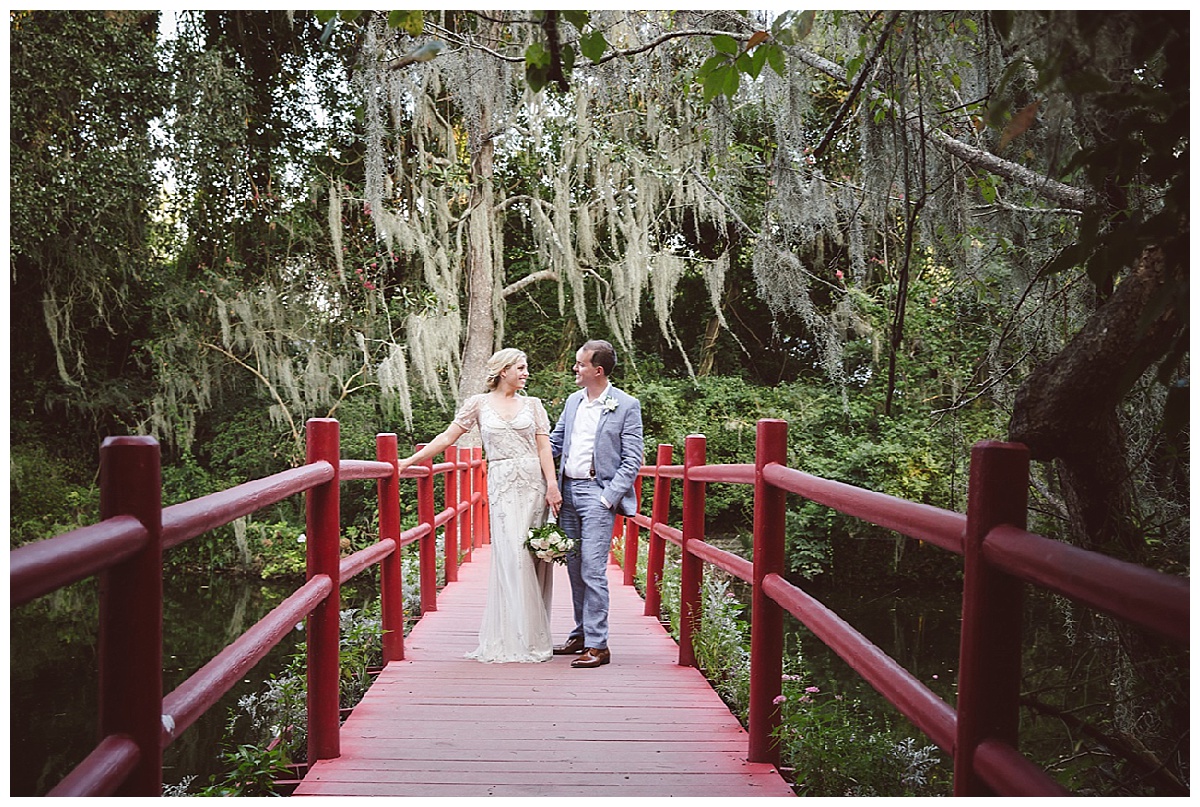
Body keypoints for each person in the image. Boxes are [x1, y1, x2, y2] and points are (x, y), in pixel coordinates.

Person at [397, 348, 562, 663]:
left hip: (532, 483)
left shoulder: (534, 405)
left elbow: (544, 448)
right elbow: (448, 438)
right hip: (502, 483)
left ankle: (532, 636)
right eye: (521, 367)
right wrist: (411, 460)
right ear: (504, 371)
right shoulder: (479, 404)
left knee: (532, 555)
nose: (526, 373)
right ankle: (511, 636)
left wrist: (552, 486)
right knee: (512, 556)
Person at [548, 339, 644, 668]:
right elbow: (555, 442)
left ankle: (599, 645)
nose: (575, 369)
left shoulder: (626, 405)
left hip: (596, 494)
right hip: (567, 492)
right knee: (574, 568)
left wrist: (607, 498)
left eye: (581, 364)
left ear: (597, 370)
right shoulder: (573, 401)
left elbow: (632, 461)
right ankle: (581, 634)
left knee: (592, 570)